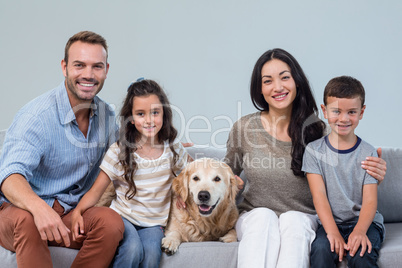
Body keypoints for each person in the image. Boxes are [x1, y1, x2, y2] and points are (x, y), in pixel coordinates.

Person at [224, 48, 387, 268]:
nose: (278, 87)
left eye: (285, 77)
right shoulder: (243, 128)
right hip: (255, 216)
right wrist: (188, 164)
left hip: (303, 217)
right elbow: (223, 171)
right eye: (268, 81)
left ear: (297, 82)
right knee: (263, 217)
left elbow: (345, 166)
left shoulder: (316, 130)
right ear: (259, 89)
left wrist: (374, 171)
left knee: (293, 220)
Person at [0, 31, 124, 268]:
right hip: (17, 212)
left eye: (96, 66)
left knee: (110, 222)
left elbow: (126, 149)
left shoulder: (106, 115)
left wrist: (168, 143)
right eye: (79, 65)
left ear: (106, 70)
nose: (88, 74)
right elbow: (9, 176)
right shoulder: (36, 117)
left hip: (70, 214)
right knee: (28, 220)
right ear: (64, 67)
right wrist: (40, 209)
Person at [71, 78, 189, 268]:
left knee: (151, 254)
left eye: (155, 112)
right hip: (123, 218)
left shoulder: (173, 148)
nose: (149, 120)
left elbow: (189, 174)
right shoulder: (119, 151)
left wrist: (183, 192)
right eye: (141, 114)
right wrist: (77, 212)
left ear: (164, 114)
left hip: (154, 224)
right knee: (133, 248)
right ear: (131, 119)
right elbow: (96, 191)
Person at [302, 76, 384, 267]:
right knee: (321, 251)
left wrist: (360, 231)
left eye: (352, 112)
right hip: (330, 223)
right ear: (324, 111)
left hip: (365, 223)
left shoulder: (368, 152)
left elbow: (370, 200)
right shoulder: (314, 151)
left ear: (362, 112)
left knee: (361, 255)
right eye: (336, 111)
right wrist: (331, 231)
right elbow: (319, 195)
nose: (344, 118)